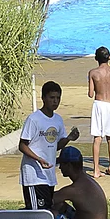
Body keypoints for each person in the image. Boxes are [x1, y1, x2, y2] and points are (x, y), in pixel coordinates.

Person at [18, 80, 69, 210]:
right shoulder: (34, 119)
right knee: (37, 213)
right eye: (52, 98)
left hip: (49, 175)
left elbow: (55, 145)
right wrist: (39, 159)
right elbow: (22, 145)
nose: (55, 101)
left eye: (58, 98)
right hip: (34, 175)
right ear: (43, 98)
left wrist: (69, 138)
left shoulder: (58, 119)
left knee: (46, 210)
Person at [49, 146, 108, 219]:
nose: (60, 168)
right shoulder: (86, 180)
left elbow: (47, 201)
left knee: (52, 215)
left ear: (69, 165)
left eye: (61, 164)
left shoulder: (75, 189)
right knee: (59, 205)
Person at [86, 46, 110, 176]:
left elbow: (90, 94)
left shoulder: (93, 73)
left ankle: (96, 169)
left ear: (96, 58)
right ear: (109, 57)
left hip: (99, 104)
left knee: (97, 138)